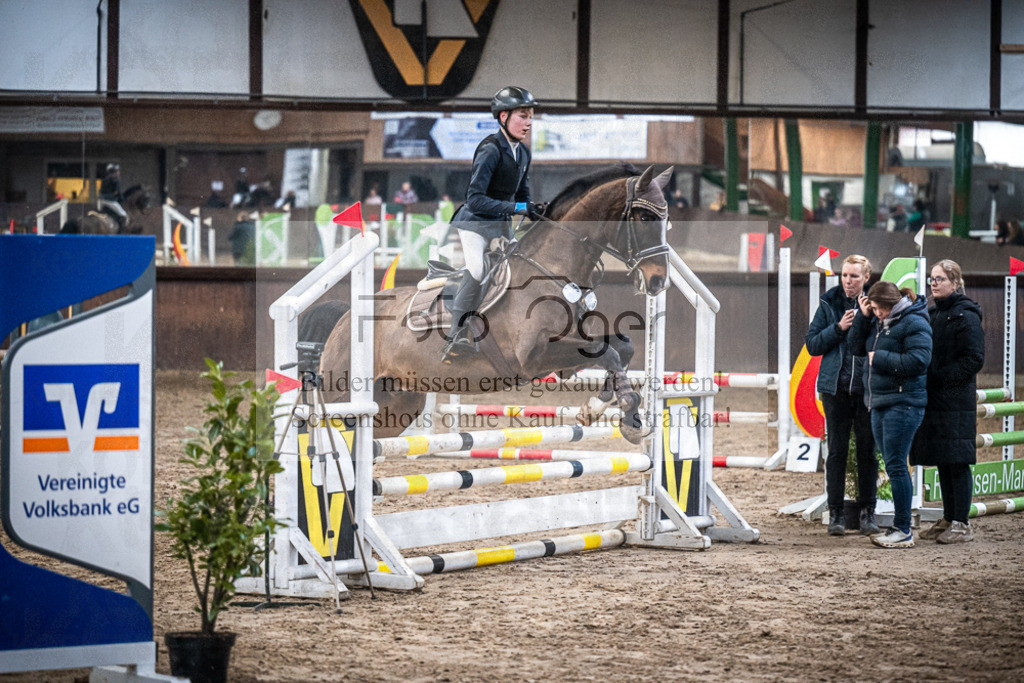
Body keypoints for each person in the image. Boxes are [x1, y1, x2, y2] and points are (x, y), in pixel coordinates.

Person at [441, 86, 543, 364]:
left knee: (519, 267)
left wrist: (536, 209)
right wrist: (518, 208)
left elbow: (522, 195)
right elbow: (475, 200)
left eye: (531, 116)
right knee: (477, 269)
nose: (529, 122)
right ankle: (456, 334)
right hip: (475, 224)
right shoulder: (490, 149)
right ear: (503, 117)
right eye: (523, 116)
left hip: (499, 226)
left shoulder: (523, 153)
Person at [848, 281, 932, 549]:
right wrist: (863, 318)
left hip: (903, 402)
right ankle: (900, 527)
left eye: (875, 308)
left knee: (896, 465)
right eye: (871, 309)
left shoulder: (914, 322)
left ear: (887, 305)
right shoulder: (877, 321)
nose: (874, 312)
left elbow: (920, 360)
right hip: (880, 401)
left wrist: (880, 358)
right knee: (893, 463)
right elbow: (855, 348)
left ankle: (903, 529)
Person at [911, 260, 985, 543]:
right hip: (937, 400)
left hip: (955, 399)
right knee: (944, 460)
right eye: (932, 279)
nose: (933, 283)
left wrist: (942, 378)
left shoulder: (966, 315)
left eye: (940, 279)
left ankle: (962, 523)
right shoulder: (932, 313)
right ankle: (949, 516)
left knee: (958, 462)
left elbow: (974, 359)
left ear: (955, 282)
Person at [805, 255, 878, 536]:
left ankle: (867, 512)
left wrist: (866, 319)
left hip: (865, 388)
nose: (848, 281)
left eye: (854, 277)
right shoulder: (829, 302)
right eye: (845, 276)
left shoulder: (874, 302)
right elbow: (812, 344)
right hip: (834, 389)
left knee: (867, 452)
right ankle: (835, 513)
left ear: (866, 278)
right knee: (835, 452)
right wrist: (838, 328)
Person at [98, 163, 128, 231]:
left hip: (101, 201)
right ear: (115, 172)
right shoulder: (115, 180)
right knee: (123, 215)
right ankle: (121, 231)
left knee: (99, 212)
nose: (118, 173)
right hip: (110, 201)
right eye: (117, 171)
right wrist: (122, 199)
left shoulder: (104, 179)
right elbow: (119, 192)